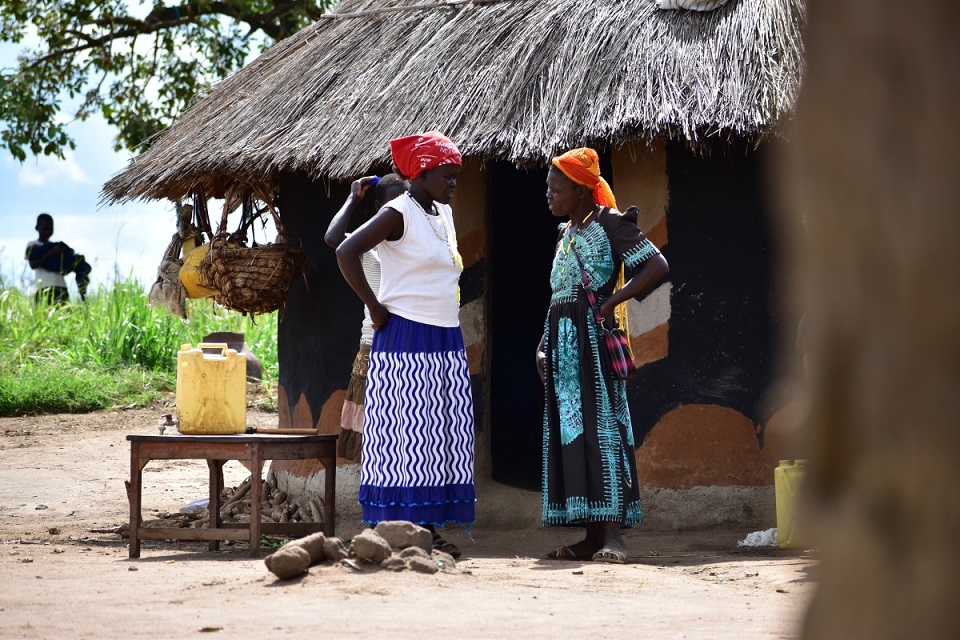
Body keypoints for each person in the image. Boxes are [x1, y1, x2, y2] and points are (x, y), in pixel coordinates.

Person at [336, 131, 473, 558]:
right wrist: (374, 308)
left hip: (444, 335)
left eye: (456, 176)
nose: (454, 183)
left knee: (438, 434)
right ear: (423, 172)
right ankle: (396, 527)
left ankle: (427, 528)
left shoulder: (443, 215)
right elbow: (345, 249)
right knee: (403, 435)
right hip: (406, 336)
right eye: (447, 176)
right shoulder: (399, 212)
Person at [539, 147, 669, 563]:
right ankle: (593, 536)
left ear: (580, 191)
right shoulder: (565, 236)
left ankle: (613, 535)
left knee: (602, 430)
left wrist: (612, 301)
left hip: (592, 343)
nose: (549, 195)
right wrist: (542, 345)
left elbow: (655, 265)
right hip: (562, 348)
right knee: (574, 434)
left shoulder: (610, 223)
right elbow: (559, 294)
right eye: (548, 188)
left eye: (556, 189)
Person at [324, 173, 409, 462]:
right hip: (374, 344)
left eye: (405, 201)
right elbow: (334, 239)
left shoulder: (412, 242)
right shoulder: (369, 244)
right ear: (378, 208)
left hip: (408, 343)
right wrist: (351, 198)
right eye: (391, 204)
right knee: (373, 438)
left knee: (403, 434)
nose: (399, 209)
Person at [25, 213, 91, 303]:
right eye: (44, 228)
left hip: (61, 287)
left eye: (50, 228)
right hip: (44, 287)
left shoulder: (57, 247)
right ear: (37, 227)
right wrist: (52, 253)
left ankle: (83, 295)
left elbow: (62, 268)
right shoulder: (33, 245)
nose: (48, 231)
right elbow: (33, 264)